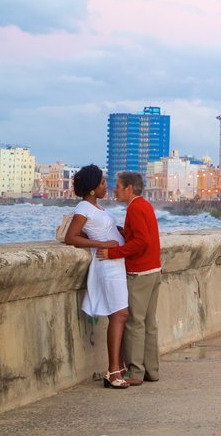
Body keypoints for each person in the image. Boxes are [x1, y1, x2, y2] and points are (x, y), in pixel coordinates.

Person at [63, 164, 130, 389]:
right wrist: (101, 243)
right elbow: (71, 237)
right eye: (102, 182)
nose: (106, 186)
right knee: (119, 314)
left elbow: (87, 232)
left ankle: (117, 369)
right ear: (92, 188)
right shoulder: (84, 207)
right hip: (107, 265)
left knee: (119, 314)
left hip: (116, 263)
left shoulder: (97, 208)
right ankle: (113, 371)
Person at [98, 172, 162, 385]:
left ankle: (135, 373)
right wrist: (124, 234)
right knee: (149, 324)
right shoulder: (145, 205)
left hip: (140, 272)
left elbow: (141, 242)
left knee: (135, 323)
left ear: (129, 188)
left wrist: (112, 253)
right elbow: (143, 238)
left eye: (117, 186)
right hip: (153, 270)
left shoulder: (134, 208)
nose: (114, 189)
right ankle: (151, 370)